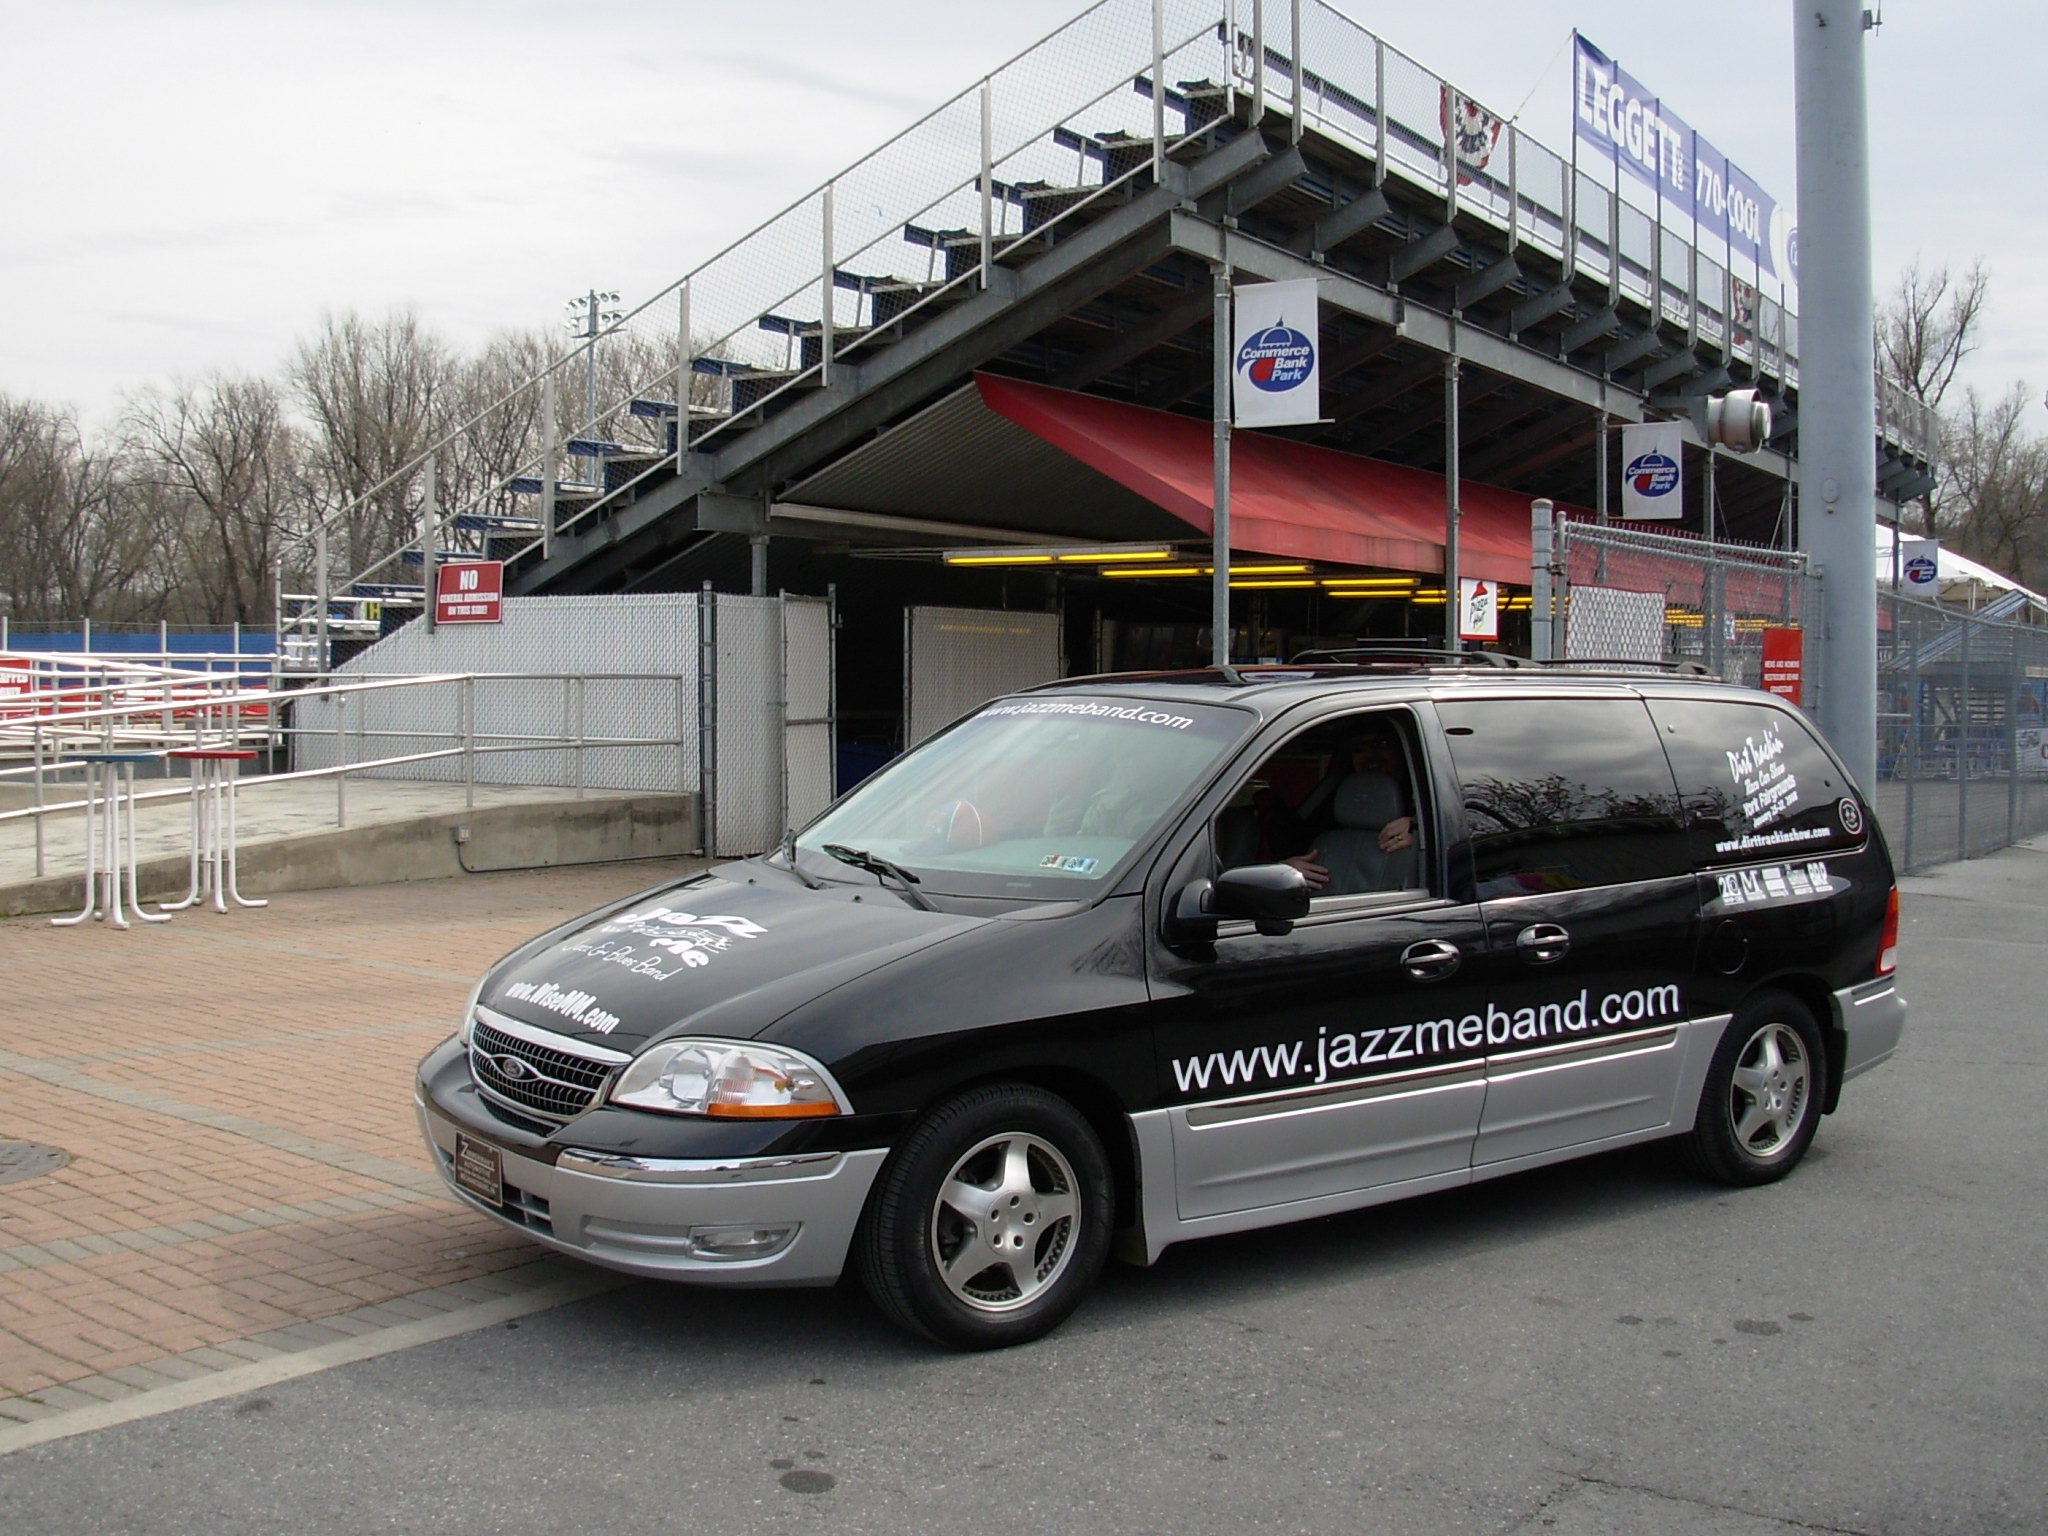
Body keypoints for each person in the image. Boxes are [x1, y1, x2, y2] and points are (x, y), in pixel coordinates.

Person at [1242, 720, 1417, 893]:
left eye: (1381, 744)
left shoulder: (1429, 805)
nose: (1370, 756)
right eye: (1358, 749)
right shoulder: (1336, 807)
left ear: (1402, 751)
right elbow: (1296, 848)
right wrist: (1284, 869)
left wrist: (1417, 827)